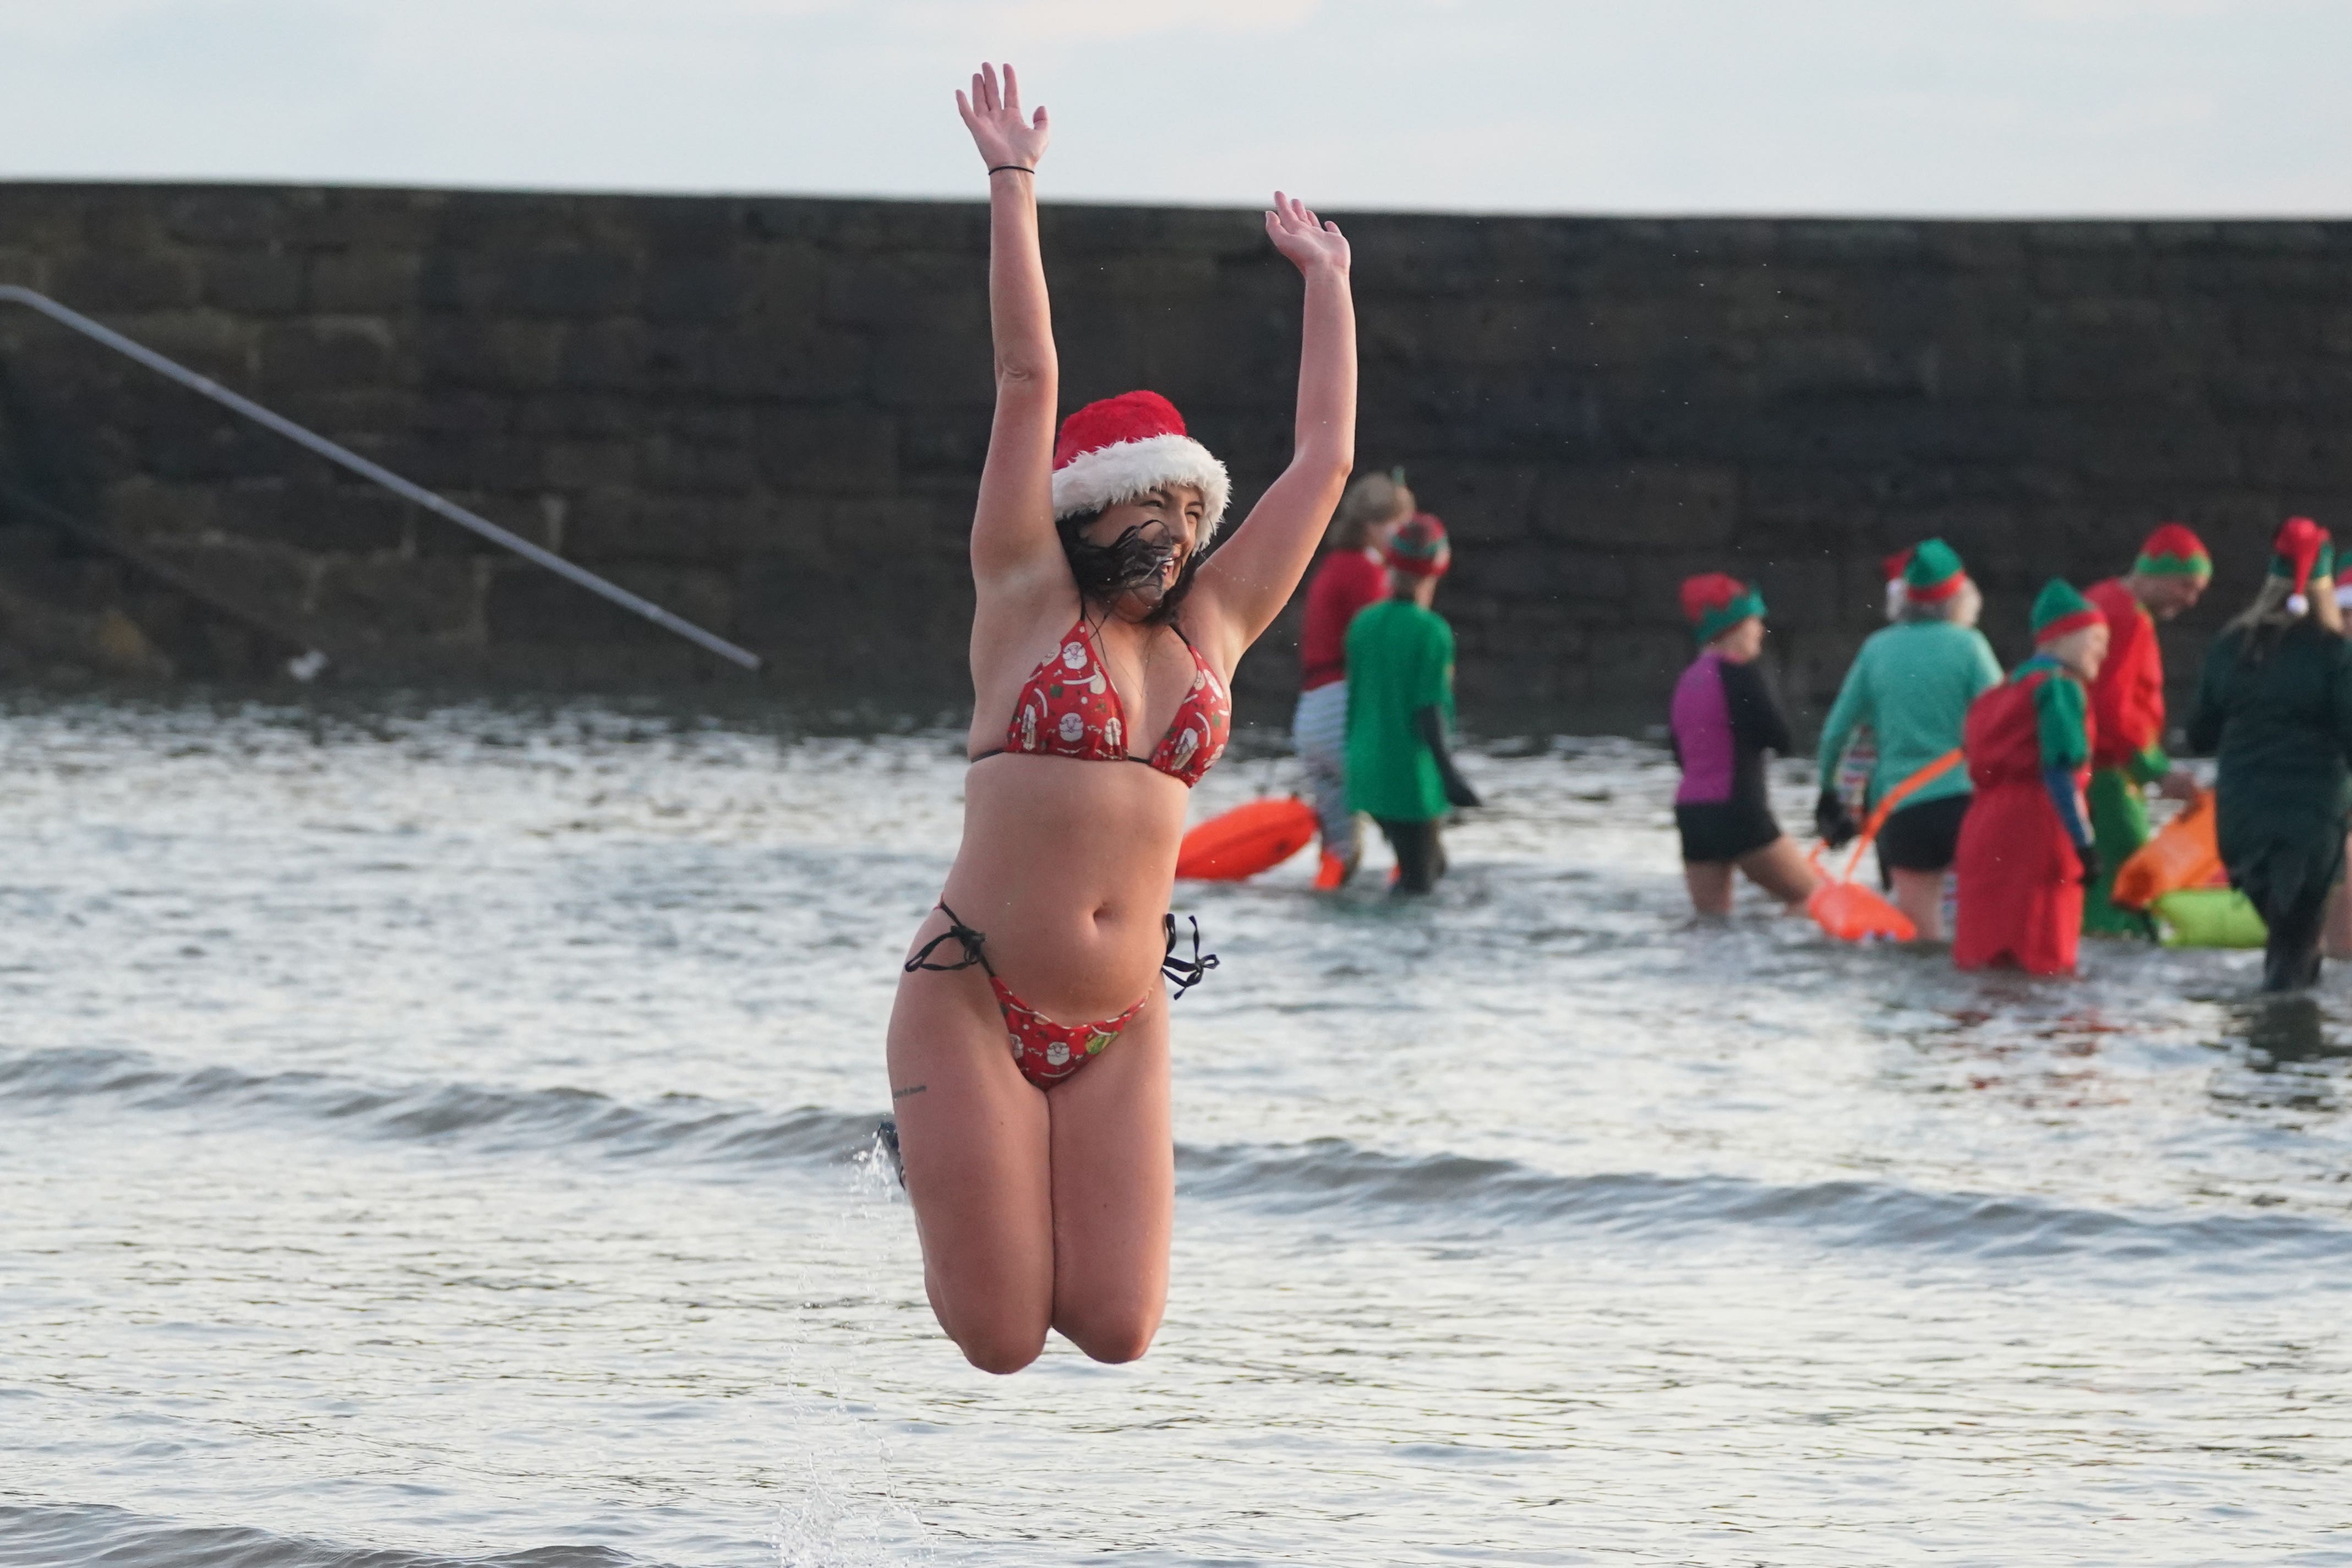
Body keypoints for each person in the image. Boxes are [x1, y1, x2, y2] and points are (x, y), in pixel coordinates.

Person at [887, 63, 1356, 1373]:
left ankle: (966, 1152)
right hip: (974, 992)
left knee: (1114, 1329)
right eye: (1143, 518)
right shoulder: (1024, 595)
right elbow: (1025, 370)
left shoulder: (1213, 634)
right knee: (997, 1341)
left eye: (1189, 520)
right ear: (1079, 516)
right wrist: (1012, 181)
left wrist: (1328, 287)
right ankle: (929, 1142)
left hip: (1121, 1016)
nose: (1174, 541)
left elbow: (1320, 464)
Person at [2186, 518, 2352, 992]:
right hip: (2310, 823)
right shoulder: (2335, 652)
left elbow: (2199, 735)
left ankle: (2263, 1054)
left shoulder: (2229, 646)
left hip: (2241, 823)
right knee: (2295, 954)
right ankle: (2285, 1054)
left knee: (2286, 945)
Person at [1814, 539, 2002, 941]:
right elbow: (2003, 719)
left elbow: (1835, 731)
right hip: (1968, 803)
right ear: (1960, 596)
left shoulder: (1876, 648)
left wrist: (1828, 791)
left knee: (1919, 939)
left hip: (1902, 809)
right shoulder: (1970, 646)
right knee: (1977, 930)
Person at [1952, 581, 2109, 976]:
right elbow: (2059, 772)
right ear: (2064, 638)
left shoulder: (2000, 691)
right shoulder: (2059, 689)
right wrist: (2084, 844)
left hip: (1982, 828)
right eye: (2095, 639)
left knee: (1984, 957)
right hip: (2037, 828)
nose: (2102, 652)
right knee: (2043, 960)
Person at [2081, 523, 2212, 936]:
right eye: (2185, 586)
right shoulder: (2130, 620)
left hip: (2083, 767)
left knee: (2090, 881)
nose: (2190, 601)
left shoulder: (2099, 598)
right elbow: (2113, 709)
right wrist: (2154, 771)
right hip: (2110, 771)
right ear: (2153, 574)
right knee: (2131, 882)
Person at [1343, 513, 1480, 893]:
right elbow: (1428, 710)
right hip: (1408, 777)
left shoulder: (1362, 624)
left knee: (1428, 866)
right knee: (1420, 882)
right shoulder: (1432, 633)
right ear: (1438, 567)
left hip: (1363, 769)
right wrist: (1449, 776)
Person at [1669, 572, 1818, 917]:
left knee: (1712, 924)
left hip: (1692, 816)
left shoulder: (1687, 681)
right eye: (1755, 623)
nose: (1761, 632)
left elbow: (1680, 754)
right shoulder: (1741, 673)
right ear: (1734, 628)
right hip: (1739, 811)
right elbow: (1780, 737)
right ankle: (1777, 968)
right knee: (1809, 897)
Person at [1293, 471, 1414, 889]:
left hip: (1311, 716)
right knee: (1407, 832)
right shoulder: (1366, 571)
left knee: (1339, 851)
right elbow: (1379, 649)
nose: (1399, 535)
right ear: (1369, 525)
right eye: (1392, 524)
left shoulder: (1333, 566)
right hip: (1344, 711)